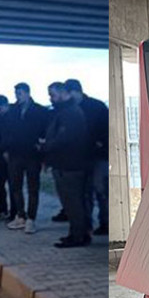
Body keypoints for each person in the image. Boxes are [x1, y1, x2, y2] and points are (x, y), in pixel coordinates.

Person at [44, 82, 92, 248]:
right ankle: (76, 233)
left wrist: (46, 145)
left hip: (70, 165)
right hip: (66, 164)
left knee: (73, 202)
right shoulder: (66, 111)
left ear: (63, 93)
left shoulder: (71, 113)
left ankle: (78, 235)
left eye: (53, 95)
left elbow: (65, 138)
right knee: (71, 202)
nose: (51, 98)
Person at [66, 78, 109, 237]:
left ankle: (105, 223)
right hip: (81, 157)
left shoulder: (96, 107)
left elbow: (106, 129)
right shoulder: (89, 107)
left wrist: (100, 144)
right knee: (85, 192)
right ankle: (87, 225)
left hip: (98, 156)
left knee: (100, 189)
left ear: (76, 91)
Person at [5, 82, 50, 234]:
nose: (18, 97)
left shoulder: (40, 111)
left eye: (20, 93)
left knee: (33, 187)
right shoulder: (12, 111)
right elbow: (7, 131)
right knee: (15, 186)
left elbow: (45, 132)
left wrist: (42, 151)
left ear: (27, 93)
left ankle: (31, 218)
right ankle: (20, 215)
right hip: (15, 154)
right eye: (16, 94)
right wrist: (6, 148)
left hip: (32, 155)